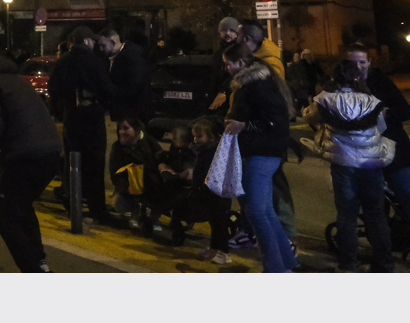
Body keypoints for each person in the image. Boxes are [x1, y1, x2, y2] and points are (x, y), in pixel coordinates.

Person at [0, 51, 63, 272]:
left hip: (26, 154)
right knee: (21, 207)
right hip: (50, 150)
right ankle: (40, 263)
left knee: (6, 218)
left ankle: (33, 272)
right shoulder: (13, 79)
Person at [345, 43, 410, 271]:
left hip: (396, 152)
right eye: (353, 63)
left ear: (369, 62)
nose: (358, 67)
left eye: (362, 62)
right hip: (365, 155)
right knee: (374, 207)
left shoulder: (381, 82)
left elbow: (406, 110)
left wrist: (386, 113)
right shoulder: (343, 87)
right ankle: (383, 257)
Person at [302, 59, 395, 272]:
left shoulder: (327, 100)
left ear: (334, 78)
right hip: (371, 163)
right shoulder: (372, 101)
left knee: (346, 215)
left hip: (344, 164)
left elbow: (310, 116)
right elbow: (381, 127)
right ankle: (384, 264)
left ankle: (348, 265)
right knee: (376, 214)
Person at [222, 44, 298, 272]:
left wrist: (244, 125)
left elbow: (276, 122)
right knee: (264, 211)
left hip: (261, 153)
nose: (226, 68)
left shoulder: (258, 86)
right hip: (261, 152)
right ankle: (285, 262)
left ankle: (275, 268)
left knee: (256, 211)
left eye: (228, 63)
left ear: (241, 64)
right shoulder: (254, 84)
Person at [47, 27, 114, 222]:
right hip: (92, 115)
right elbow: (108, 90)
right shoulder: (95, 62)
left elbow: (53, 90)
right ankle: (96, 209)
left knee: (72, 161)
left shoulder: (63, 62)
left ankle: (72, 203)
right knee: (95, 162)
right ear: (86, 42)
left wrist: (61, 112)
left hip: (72, 116)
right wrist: (103, 107)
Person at [167, 118, 233, 264]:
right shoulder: (204, 151)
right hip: (211, 194)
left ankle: (223, 252)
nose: (196, 140)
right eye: (194, 136)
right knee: (215, 223)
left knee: (219, 224)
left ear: (210, 137)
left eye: (199, 137)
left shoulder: (211, 152)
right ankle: (215, 249)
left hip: (217, 195)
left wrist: (200, 188)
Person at [107, 117, 166, 233]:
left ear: (137, 129)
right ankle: (135, 214)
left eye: (126, 128)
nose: (122, 132)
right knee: (118, 202)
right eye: (120, 129)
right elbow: (114, 172)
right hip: (130, 189)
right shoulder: (117, 147)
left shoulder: (149, 142)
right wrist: (125, 187)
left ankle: (153, 218)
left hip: (150, 186)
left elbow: (160, 161)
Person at [96, 29, 149, 121]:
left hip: (133, 113)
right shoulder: (112, 58)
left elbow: (134, 86)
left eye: (103, 45)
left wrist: (110, 90)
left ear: (112, 42)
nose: (101, 49)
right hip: (124, 112)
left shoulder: (132, 56)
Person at [208, 17, 242, 111]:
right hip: (218, 96)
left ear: (237, 32)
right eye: (224, 30)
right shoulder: (219, 52)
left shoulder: (239, 50)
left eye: (231, 30)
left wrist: (224, 90)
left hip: (231, 97)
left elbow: (239, 73)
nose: (227, 33)